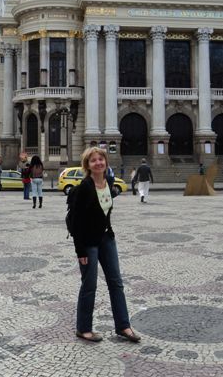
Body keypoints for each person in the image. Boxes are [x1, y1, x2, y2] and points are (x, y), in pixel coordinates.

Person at [70, 146, 140, 343]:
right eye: (93, 160)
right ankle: (83, 328)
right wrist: (80, 251)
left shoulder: (109, 182)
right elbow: (76, 223)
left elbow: (105, 209)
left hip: (107, 239)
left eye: (101, 159)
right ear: (87, 165)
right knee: (89, 285)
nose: (98, 163)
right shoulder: (83, 188)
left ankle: (124, 326)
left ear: (106, 162)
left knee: (116, 283)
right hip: (88, 243)